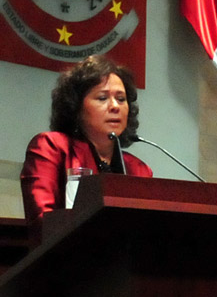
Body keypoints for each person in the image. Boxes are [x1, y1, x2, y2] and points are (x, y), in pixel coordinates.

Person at [20, 55, 152, 230]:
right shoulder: (52, 147)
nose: (115, 106)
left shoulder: (139, 170)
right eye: (102, 98)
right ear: (77, 107)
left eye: (121, 99)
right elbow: (42, 222)